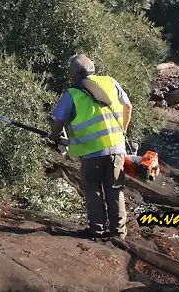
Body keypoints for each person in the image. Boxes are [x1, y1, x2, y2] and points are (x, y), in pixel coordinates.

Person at [48, 55, 133, 240]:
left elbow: (59, 122)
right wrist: (123, 131)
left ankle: (98, 230)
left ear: (74, 73)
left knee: (93, 189)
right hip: (117, 148)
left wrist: (54, 137)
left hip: (91, 152)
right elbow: (128, 106)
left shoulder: (72, 94)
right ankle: (119, 232)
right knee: (114, 189)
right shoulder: (110, 82)